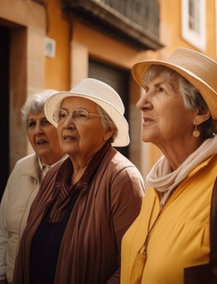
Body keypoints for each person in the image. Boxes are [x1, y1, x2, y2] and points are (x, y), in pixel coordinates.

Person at [120, 47, 217, 283]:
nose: (141, 103)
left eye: (160, 90)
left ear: (199, 112)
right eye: (146, 90)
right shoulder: (157, 183)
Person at [13, 78, 145, 284]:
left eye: (80, 115)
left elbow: (132, 264)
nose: (66, 124)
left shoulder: (122, 178)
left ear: (108, 130)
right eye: (63, 115)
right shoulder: (54, 174)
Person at [0, 90, 67, 284]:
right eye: (32, 124)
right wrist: (3, 277)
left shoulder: (77, 173)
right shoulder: (20, 168)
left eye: (45, 122)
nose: (38, 130)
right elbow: (4, 231)